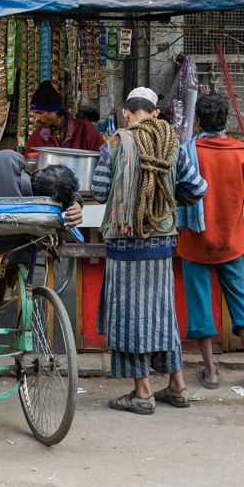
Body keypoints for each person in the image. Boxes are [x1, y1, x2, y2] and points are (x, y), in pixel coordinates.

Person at [92, 87, 207, 415]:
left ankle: (142, 393)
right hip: (162, 244)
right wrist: (168, 196)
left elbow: (99, 191)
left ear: (125, 113)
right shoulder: (172, 146)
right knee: (162, 314)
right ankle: (177, 386)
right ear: (156, 113)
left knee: (130, 317)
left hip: (124, 244)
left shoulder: (114, 145)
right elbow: (197, 188)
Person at [176, 93, 244, 392]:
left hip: (194, 242)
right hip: (231, 240)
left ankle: (211, 372)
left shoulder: (186, 152)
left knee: (200, 306)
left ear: (198, 122)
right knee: (240, 302)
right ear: (224, 120)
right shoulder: (241, 151)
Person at [25, 81, 105, 155]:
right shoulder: (37, 136)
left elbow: (104, 158)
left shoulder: (85, 129)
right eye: (34, 113)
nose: (36, 118)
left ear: (55, 110)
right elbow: (29, 161)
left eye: (40, 113)